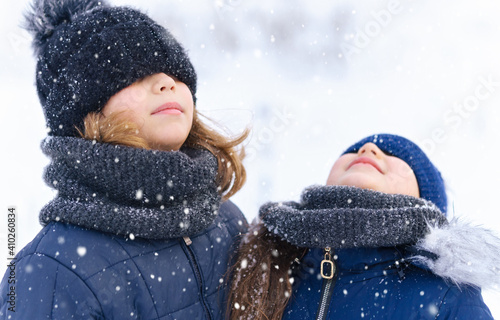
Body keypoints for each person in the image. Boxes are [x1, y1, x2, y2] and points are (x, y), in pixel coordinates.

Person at [0, 0, 249, 319]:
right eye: (134, 73)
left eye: (176, 72)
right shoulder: (50, 270)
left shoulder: (225, 219)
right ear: (85, 111)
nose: (167, 82)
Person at [228, 133, 500, 320]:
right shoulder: (263, 257)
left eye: (396, 154)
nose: (368, 149)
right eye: (354, 151)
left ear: (425, 198)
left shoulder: (449, 294)